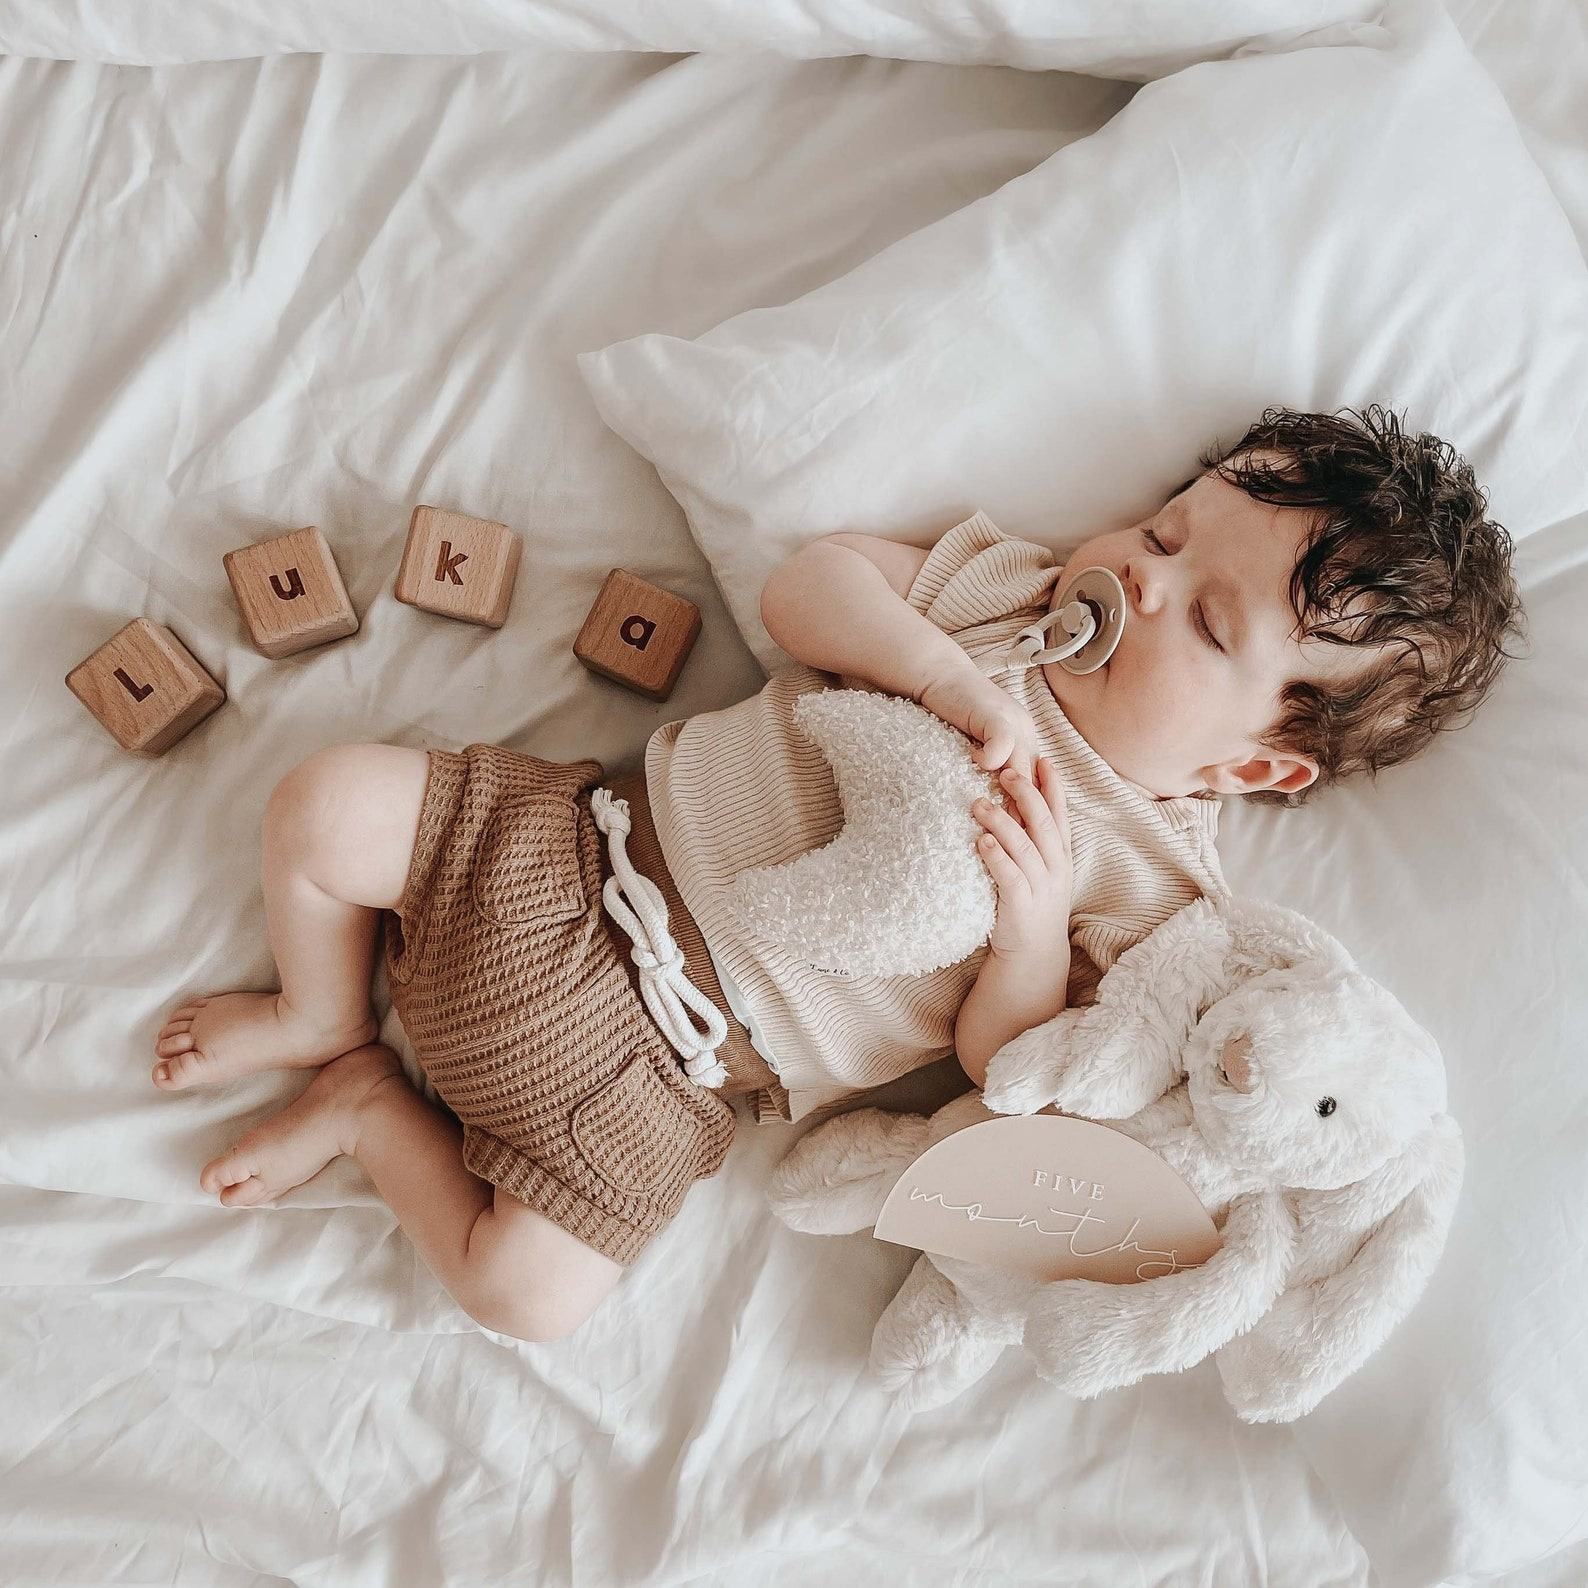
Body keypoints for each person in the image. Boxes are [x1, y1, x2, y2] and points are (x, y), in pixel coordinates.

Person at [148, 403, 1523, 1343]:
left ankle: (371, 1107)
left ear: (1251, 769)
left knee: (528, 1296)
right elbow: (807, 590)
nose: (1144, 583)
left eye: (1209, 619)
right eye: (1164, 535)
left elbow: (1011, 1068)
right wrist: (934, 671)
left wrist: (1032, 928)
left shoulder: (1160, 894)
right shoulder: (1008, 603)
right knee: (327, 805)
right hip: (565, 853)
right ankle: (319, 1008)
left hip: (672, 1081)